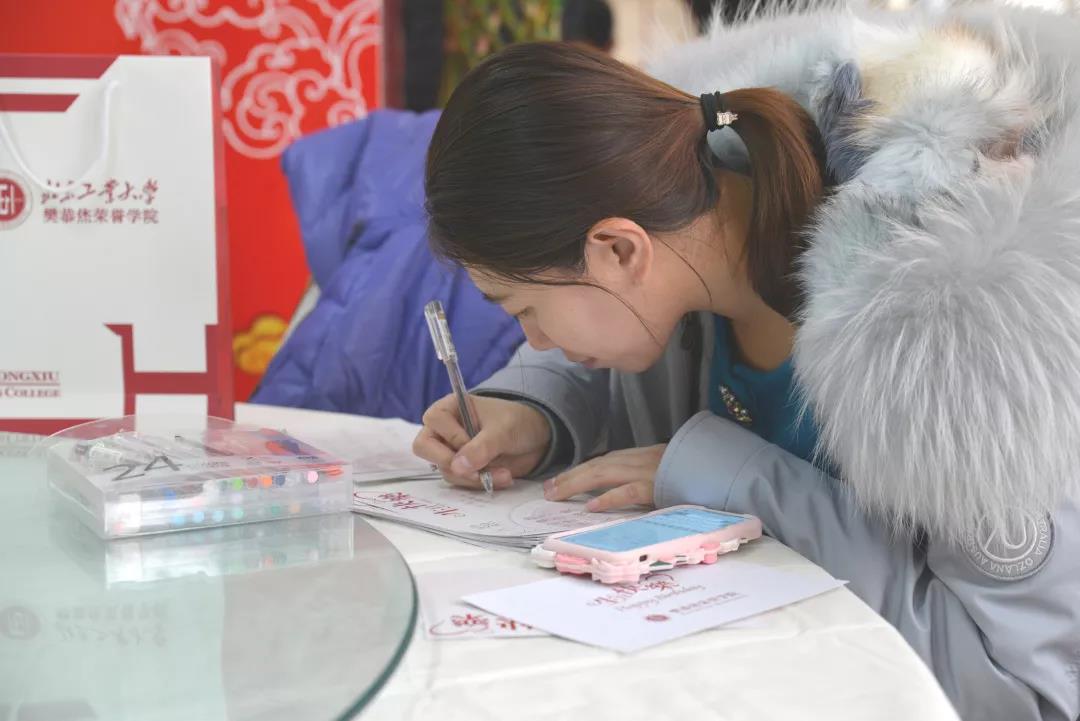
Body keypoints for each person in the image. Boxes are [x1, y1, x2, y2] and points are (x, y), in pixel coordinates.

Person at [411, 4, 1080, 720]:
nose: (533, 340)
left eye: (524, 309)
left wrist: (739, 483)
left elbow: (1016, 687)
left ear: (620, 248)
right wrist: (535, 409)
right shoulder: (695, 225)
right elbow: (605, 351)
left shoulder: (957, 339)